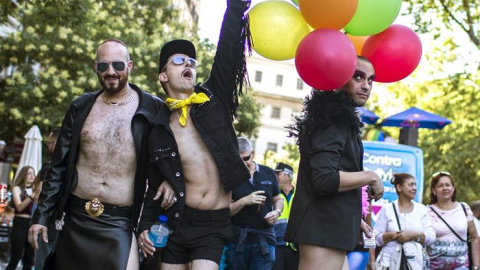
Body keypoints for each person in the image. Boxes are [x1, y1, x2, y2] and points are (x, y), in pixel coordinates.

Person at [27, 39, 169, 270]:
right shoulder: (81, 106)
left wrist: (170, 182)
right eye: (103, 66)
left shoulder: (152, 108)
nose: (111, 72)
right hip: (74, 218)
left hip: (120, 223)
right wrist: (41, 217)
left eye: (118, 65)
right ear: (95, 67)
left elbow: (170, 156)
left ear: (130, 66)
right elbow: (58, 166)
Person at [137, 1, 252, 269]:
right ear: (163, 76)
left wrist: (236, 8)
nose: (188, 63)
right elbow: (154, 184)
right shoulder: (159, 129)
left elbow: (227, 52)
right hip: (176, 220)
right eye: (179, 60)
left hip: (213, 222)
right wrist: (144, 227)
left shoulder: (214, 99)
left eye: (191, 61)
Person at [284, 56, 384, 270]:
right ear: (338, 77)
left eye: (370, 80)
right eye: (358, 77)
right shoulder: (332, 119)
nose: (366, 85)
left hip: (331, 229)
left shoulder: (341, 119)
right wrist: (371, 176)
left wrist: (354, 218)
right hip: (321, 230)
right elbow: (324, 179)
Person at [224, 137, 283, 270]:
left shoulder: (268, 172)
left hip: (265, 238)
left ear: (253, 154)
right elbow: (225, 212)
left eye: (246, 158)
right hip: (238, 240)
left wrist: (277, 212)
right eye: (239, 161)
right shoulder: (230, 177)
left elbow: (278, 199)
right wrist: (244, 201)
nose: (243, 163)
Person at [374, 173, 435, 269]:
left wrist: (414, 235)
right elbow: (376, 239)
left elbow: (431, 237)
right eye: (410, 185)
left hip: (414, 265)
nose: (414, 188)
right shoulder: (387, 209)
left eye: (415, 185)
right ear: (399, 187)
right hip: (388, 264)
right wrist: (393, 235)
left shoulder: (421, 209)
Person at [427, 172, 480, 270]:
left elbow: (475, 237)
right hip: (433, 267)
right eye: (440, 186)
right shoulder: (426, 211)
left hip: (461, 266)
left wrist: (476, 266)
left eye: (448, 185)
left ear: (453, 188)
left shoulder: (464, 208)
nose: (445, 188)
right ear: (434, 190)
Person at [32, 127, 59, 270]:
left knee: (43, 262)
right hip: (68, 223)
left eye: (49, 142)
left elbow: (39, 195)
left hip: (48, 222)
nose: (48, 145)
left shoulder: (50, 167)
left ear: (56, 144)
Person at [6, 166, 36, 270]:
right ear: (23, 175)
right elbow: (19, 207)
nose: (32, 176)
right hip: (20, 223)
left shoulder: (35, 189)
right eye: (29, 173)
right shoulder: (16, 188)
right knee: (15, 257)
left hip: (32, 224)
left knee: (29, 259)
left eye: (33, 173)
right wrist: (32, 195)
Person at [272, 162, 299, 270]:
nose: (276, 176)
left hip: (295, 247)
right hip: (276, 245)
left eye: (279, 174)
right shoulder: (274, 195)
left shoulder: (299, 195)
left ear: (288, 176)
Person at [346, 186, 375, 270]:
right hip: (338, 245)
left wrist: (372, 259)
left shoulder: (364, 196)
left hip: (357, 249)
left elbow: (369, 229)